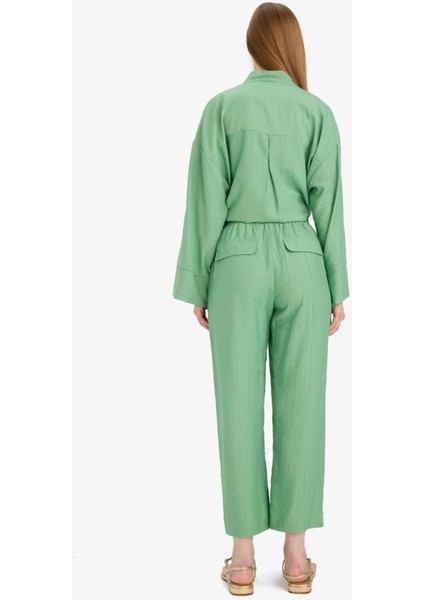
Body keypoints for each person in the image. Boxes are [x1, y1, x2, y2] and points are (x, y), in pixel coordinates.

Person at [172, 2, 349, 595]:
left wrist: (198, 283)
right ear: (292, 47)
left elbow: (206, 200)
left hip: (237, 263)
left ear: (251, 46)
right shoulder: (317, 112)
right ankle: (296, 558)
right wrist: (337, 287)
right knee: (304, 405)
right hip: (303, 260)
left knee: (237, 404)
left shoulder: (222, 108)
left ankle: (243, 557)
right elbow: (329, 206)